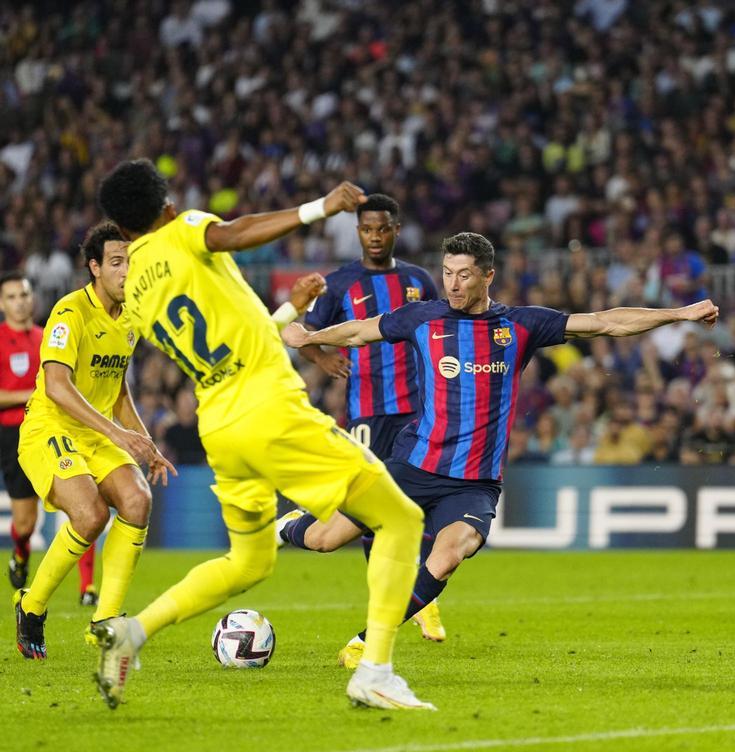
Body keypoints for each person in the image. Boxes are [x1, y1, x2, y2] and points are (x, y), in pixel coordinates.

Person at [280, 232, 719, 668]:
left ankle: (367, 641)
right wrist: (309, 337)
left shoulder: (520, 326)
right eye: (447, 274)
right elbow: (361, 330)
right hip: (412, 466)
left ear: (488, 276)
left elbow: (606, 321)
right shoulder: (422, 318)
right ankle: (285, 527)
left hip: (474, 483)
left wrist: (680, 313)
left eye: (464, 275)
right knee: (323, 540)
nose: (452, 285)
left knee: (448, 555)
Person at [93, 158, 430, 711]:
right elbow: (234, 233)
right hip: (270, 408)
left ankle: (132, 632)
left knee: (249, 562)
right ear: (167, 205)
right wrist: (320, 207)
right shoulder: (185, 232)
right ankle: (375, 670)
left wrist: (289, 308)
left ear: (122, 228)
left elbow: (228, 337)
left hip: (221, 426)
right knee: (401, 518)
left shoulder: (134, 290)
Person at [13, 223, 176, 660]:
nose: (127, 271)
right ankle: (31, 607)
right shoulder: (70, 313)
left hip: (96, 430)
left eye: (132, 262)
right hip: (51, 427)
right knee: (89, 515)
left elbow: (118, 389)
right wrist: (117, 434)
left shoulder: (130, 318)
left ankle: (105, 620)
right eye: (118, 262)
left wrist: (145, 442)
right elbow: (57, 386)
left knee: (138, 501)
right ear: (95, 267)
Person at [287, 192, 443, 640]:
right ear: (358, 232)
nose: (375, 237)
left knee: (420, 501)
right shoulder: (340, 283)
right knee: (372, 509)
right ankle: (397, 601)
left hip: (418, 410)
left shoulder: (418, 280)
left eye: (383, 228)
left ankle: (422, 600)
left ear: (396, 229)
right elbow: (297, 331)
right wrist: (321, 359)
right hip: (367, 413)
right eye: (367, 229)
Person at [0, 273, 49, 592]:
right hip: (10, 434)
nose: (20, 302)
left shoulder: (47, 338)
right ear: (2, 304)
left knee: (84, 508)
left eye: (24, 294)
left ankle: (88, 590)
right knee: (24, 522)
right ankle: (20, 555)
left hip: (47, 429)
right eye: (12, 297)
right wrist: (31, 395)